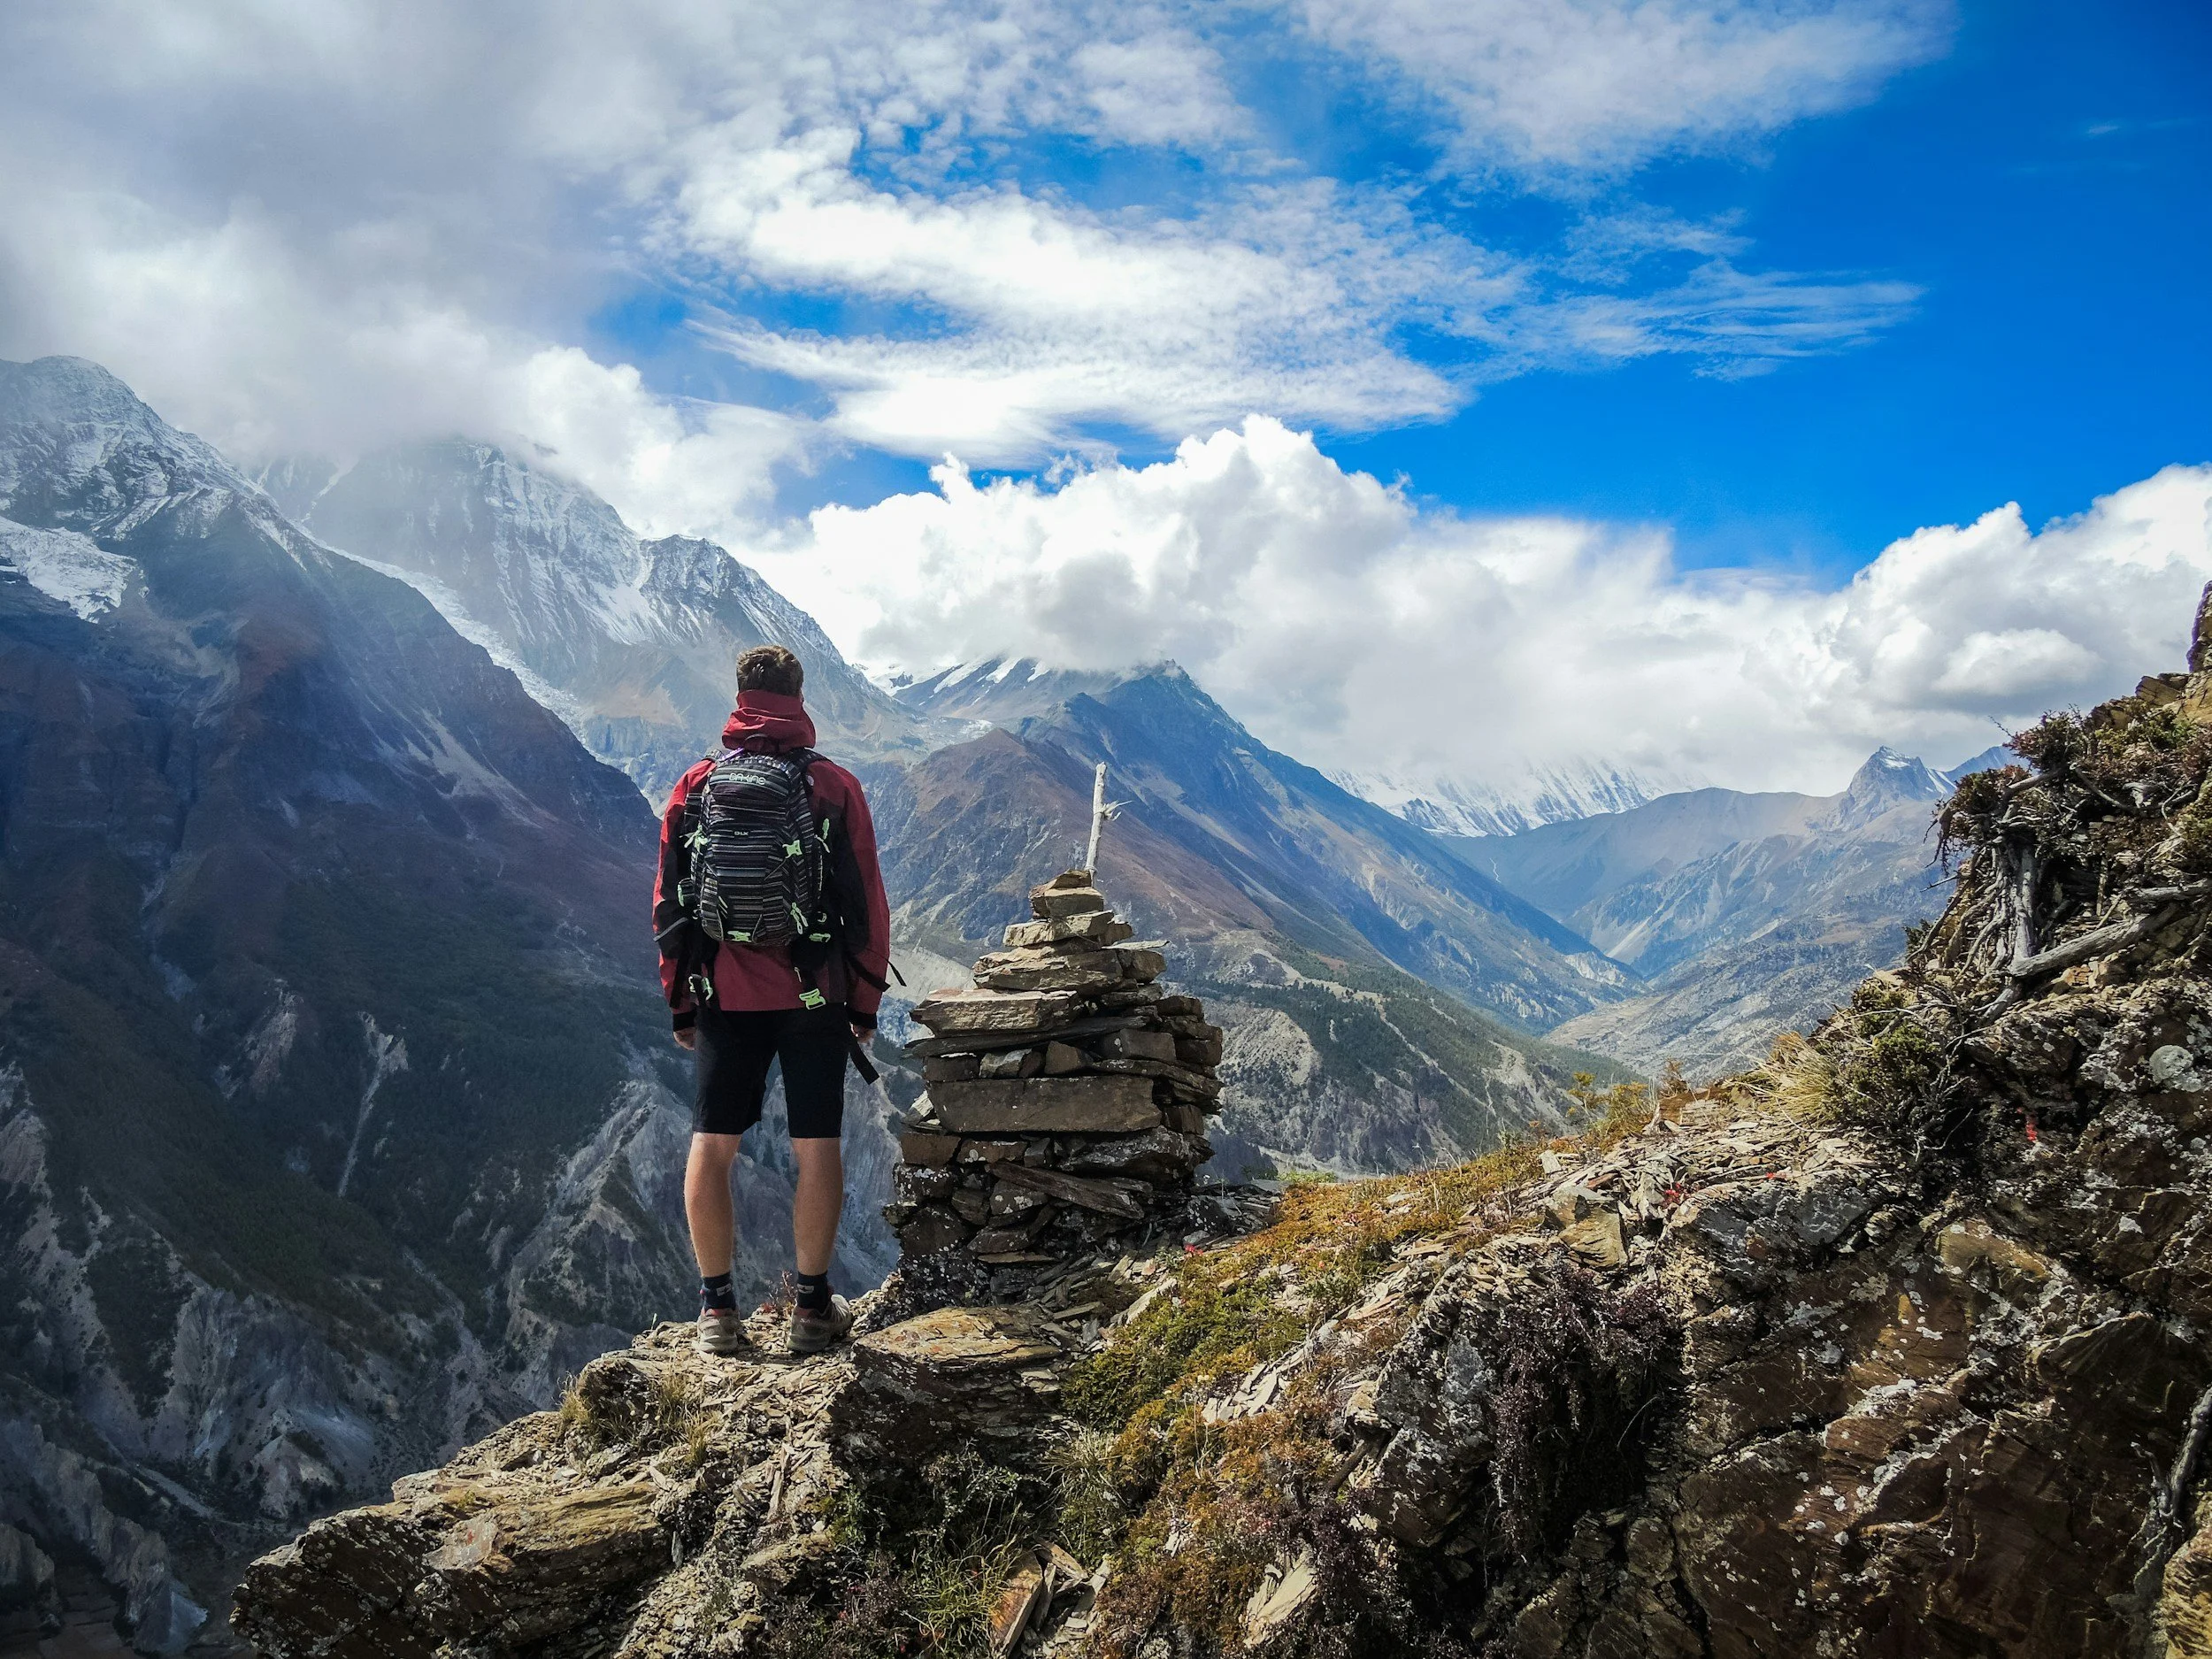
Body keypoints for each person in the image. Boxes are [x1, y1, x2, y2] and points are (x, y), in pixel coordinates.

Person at [652, 645, 892, 1356]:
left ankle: (717, 1311)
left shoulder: (695, 786)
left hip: (724, 990)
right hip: (815, 995)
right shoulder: (834, 787)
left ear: (738, 697)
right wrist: (865, 1002)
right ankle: (813, 1308)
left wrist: (681, 1002)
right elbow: (867, 905)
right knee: (817, 1146)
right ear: (799, 696)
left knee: (713, 1145)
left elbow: (668, 904)